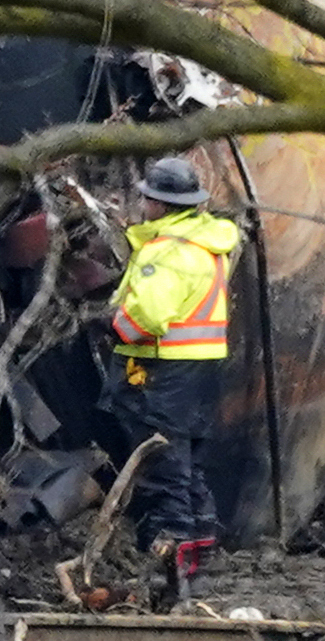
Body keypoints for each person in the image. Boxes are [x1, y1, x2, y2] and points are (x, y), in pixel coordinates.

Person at [98, 156, 241, 590]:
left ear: (160, 204)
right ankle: (199, 546)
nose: (141, 203)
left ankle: (169, 552)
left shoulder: (166, 252)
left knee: (160, 457)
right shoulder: (207, 244)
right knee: (187, 459)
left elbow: (146, 316)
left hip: (161, 366)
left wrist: (110, 323)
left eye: (145, 197)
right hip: (201, 366)